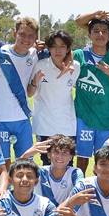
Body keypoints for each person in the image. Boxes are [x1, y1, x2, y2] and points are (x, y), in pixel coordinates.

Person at [73, 17, 109, 172]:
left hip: (106, 118)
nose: (100, 34)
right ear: (89, 34)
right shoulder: (78, 55)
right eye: (96, 31)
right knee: (82, 158)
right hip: (84, 117)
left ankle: (100, 191)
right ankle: (81, 189)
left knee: (103, 158)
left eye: (104, 31)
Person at [0, 17, 40, 165]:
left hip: (22, 119)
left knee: (26, 164)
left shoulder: (35, 55)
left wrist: (34, 83)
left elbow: (30, 92)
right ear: (15, 33)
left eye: (31, 35)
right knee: (3, 164)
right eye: (22, 34)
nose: (26, 39)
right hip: (0, 118)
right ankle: (5, 189)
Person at [29, 30, 79, 165]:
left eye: (62, 46)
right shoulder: (40, 65)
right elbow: (30, 93)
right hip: (45, 125)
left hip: (67, 125)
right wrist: (35, 81)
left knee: (67, 164)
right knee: (47, 164)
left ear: (68, 48)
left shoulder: (75, 67)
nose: (58, 50)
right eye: (54, 46)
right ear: (49, 48)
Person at [22, 134, 84, 206]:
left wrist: (58, 210)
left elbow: (79, 193)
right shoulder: (40, 172)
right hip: (40, 215)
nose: (60, 156)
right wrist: (26, 155)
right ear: (48, 154)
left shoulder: (75, 173)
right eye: (56, 152)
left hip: (65, 213)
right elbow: (15, 171)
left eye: (64, 153)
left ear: (71, 157)